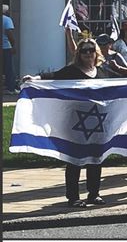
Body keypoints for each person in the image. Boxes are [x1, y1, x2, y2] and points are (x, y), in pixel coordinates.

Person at [26, 38, 113, 206]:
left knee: (96, 158)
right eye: (84, 51)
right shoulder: (71, 71)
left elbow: (124, 80)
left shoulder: (102, 72)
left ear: (96, 53)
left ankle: (94, 194)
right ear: (78, 54)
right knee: (75, 159)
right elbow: (52, 76)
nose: (88, 53)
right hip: (75, 123)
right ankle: (73, 197)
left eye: (90, 50)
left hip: (98, 123)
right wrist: (34, 79)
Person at [3, 4, 16, 93]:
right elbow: (9, 33)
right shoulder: (7, 20)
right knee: (8, 68)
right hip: (5, 47)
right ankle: (10, 88)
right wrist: (13, 45)